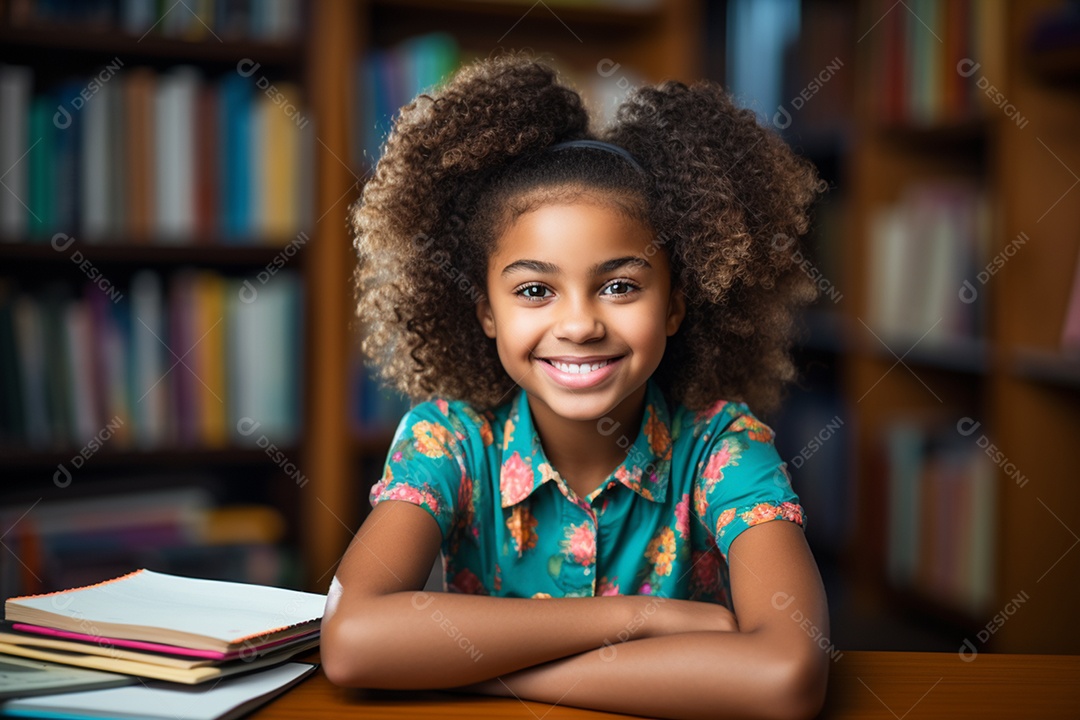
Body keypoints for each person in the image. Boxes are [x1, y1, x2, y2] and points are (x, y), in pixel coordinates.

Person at [322, 50, 830, 720]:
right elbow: (355, 642)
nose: (580, 324)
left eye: (620, 286)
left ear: (676, 303)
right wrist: (645, 619)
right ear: (485, 312)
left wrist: (472, 670)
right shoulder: (449, 439)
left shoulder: (722, 448)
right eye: (535, 290)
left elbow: (787, 676)